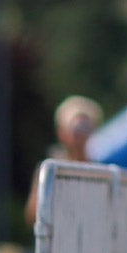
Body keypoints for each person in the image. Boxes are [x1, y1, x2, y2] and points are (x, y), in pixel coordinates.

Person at [23, 94, 104, 226]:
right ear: (62, 132)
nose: (80, 135)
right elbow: (32, 216)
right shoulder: (48, 170)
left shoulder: (99, 172)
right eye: (76, 128)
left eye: (85, 128)